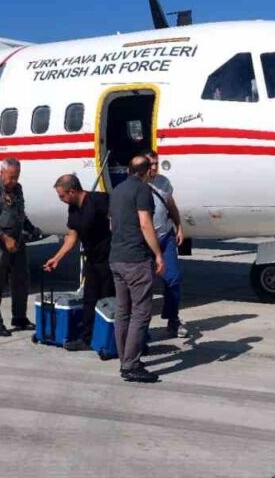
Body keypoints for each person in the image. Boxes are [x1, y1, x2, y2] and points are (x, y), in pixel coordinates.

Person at [108, 155, 166, 383]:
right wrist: (158, 254)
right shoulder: (143, 190)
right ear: (145, 172)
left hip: (117, 257)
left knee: (123, 312)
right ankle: (131, 365)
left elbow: (112, 223)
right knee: (141, 313)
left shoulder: (118, 190)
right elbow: (145, 223)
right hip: (135, 259)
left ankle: (126, 358)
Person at [43, 174, 114, 352]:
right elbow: (73, 236)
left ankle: (110, 338)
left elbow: (118, 220)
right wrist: (57, 258)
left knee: (108, 299)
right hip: (91, 260)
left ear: (72, 191)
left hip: (109, 259)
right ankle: (88, 338)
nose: (61, 200)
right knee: (90, 299)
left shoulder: (99, 200)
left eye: (62, 196)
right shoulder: (73, 208)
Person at [0, 158, 42, 337]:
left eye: (16, 177)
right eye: (11, 178)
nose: (13, 181)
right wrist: (5, 238)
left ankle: (19, 317)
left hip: (17, 240)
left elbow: (19, 213)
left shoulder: (17, 189)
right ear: (2, 173)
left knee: (21, 279)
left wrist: (30, 228)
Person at [142, 150, 187, 338]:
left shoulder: (163, 182)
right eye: (150, 164)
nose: (154, 168)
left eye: (156, 164)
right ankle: (142, 328)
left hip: (165, 237)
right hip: (144, 241)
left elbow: (171, 205)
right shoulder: (136, 185)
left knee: (174, 278)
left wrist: (179, 227)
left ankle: (172, 319)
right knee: (144, 285)